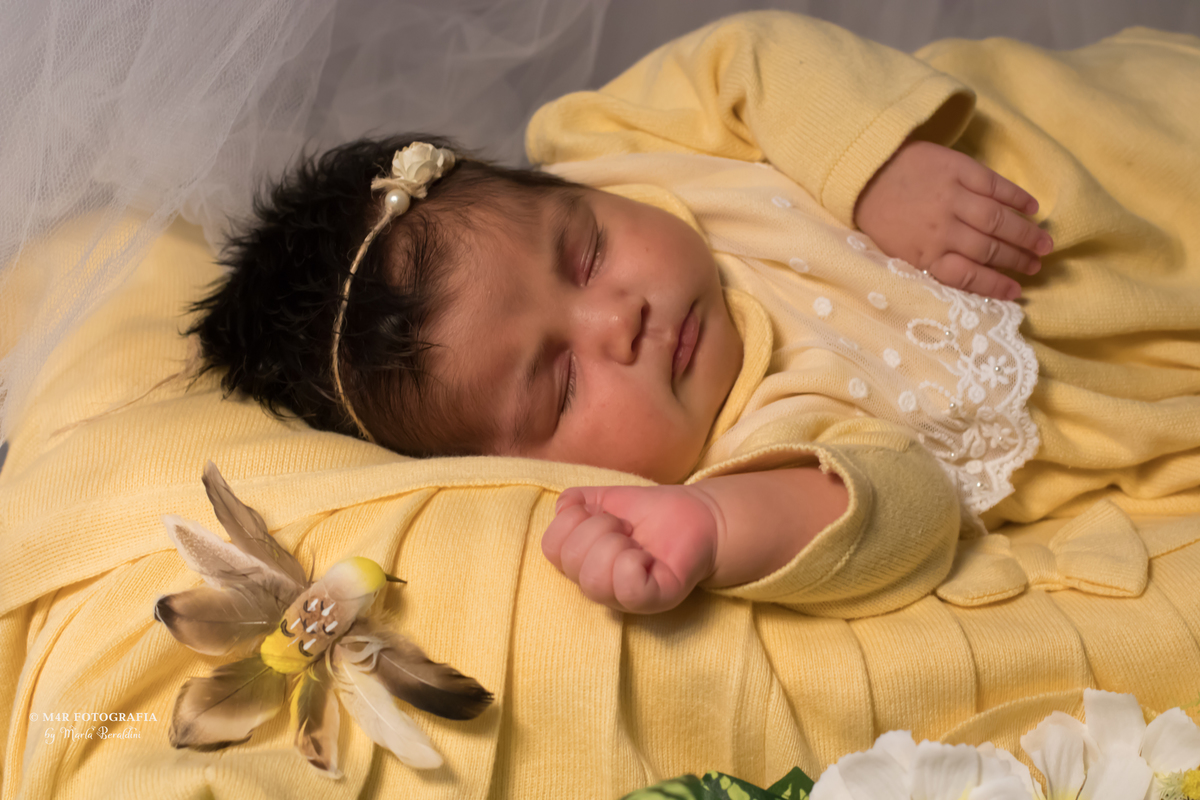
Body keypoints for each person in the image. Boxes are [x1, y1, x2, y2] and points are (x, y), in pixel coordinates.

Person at [191, 10, 1200, 620]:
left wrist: (871, 167)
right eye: (562, 382)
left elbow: (752, 57)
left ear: (562, 185)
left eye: (585, 253)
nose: (617, 322)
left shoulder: (614, 141)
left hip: (1109, 147)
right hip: (1149, 377)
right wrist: (716, 529)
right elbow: (903, 507)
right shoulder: (746, 446)